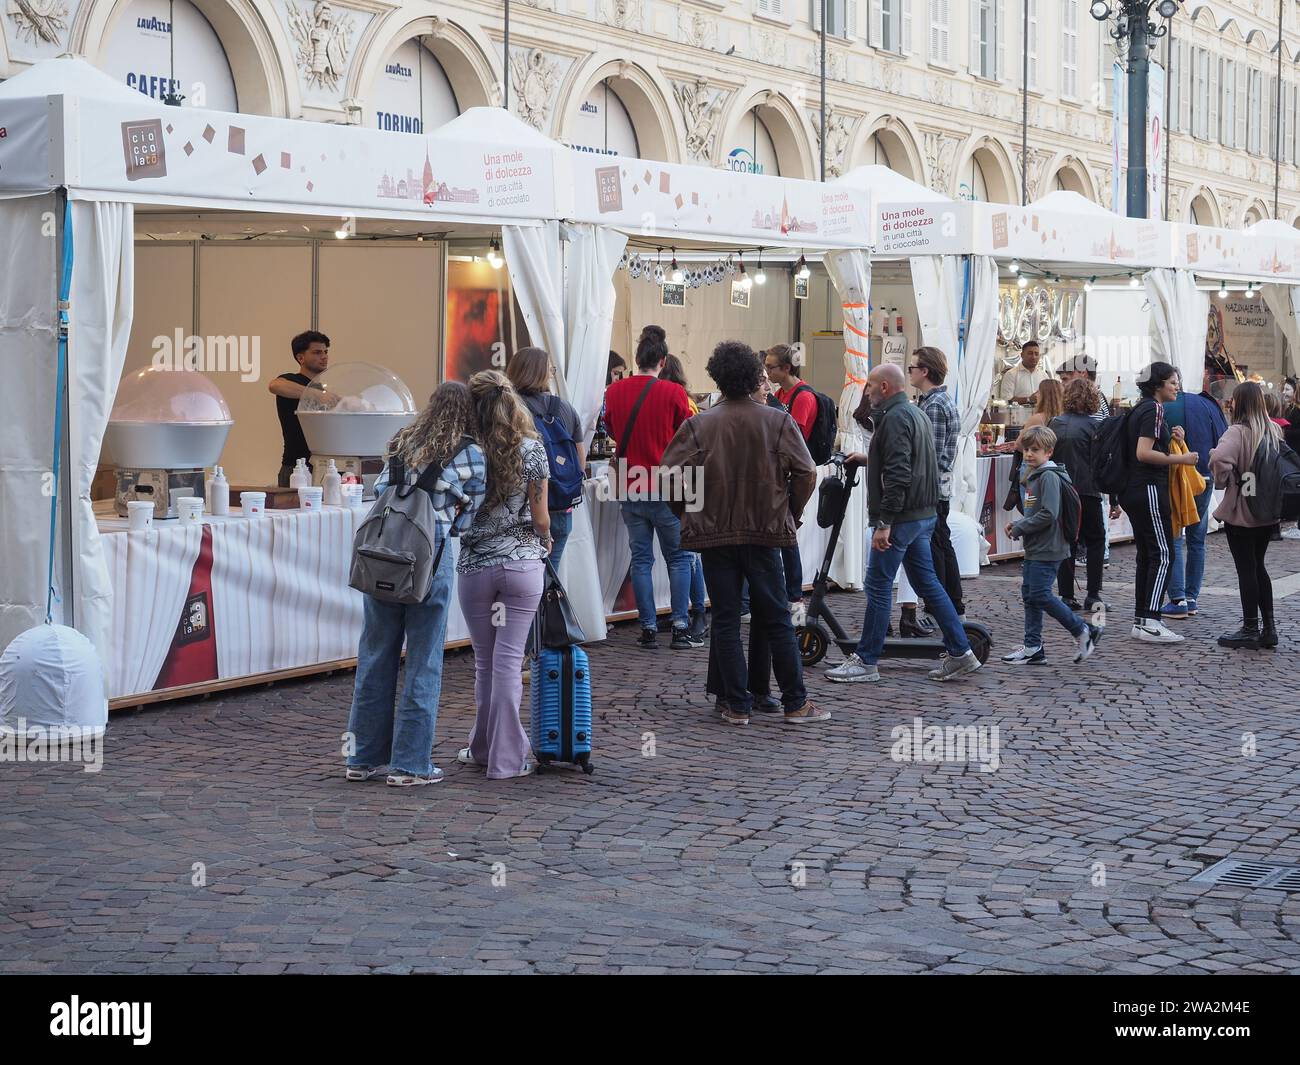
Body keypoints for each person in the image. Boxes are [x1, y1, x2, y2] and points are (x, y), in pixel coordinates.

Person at [660, 341, 825, 725]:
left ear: (718, 377)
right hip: (764, 531)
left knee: (728, 619)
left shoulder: (700, 423)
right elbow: (807, 473)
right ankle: (795, 702)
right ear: (754, 378)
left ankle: (737, 704)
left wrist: (688, 510)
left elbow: (667, 476)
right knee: (776, 618)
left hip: (717, 533)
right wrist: (789, 513)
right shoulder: (775, 420)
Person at [344, 382, 486, 786]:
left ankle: (361, 759)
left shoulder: (401, 442)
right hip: (430, 559)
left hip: (383, 557)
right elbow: (469, 516)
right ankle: (410, 765)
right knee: (423, 660)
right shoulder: (471, 453)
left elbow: (379, 490)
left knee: (374, 655)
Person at [827, 363, 982, 683]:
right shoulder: (914, 413)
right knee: (928, 584)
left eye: (870, 386)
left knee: (879, 584)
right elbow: (908, 461)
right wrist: (870, 459)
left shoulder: (897, 418)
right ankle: (961, 652)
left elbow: (899, 474)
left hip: (902, 518)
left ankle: (866, 660)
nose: (866, 392)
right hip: (922, 514)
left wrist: (884, 522)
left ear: (884, 387)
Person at [455, 370, 551, 780]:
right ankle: (506, 759)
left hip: (476, 565)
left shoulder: (465, 451)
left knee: (484, 663)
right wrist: (545, 541)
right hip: (522, 564)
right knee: (510, 662)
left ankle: (483, 747)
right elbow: (541, 516)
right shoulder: (531, 449)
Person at [602, 325, 697, 650]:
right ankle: (681, 624)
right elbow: (685, 436)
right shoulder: (674, 393)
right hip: (667, 485)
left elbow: (612, 429)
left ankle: (648, 626)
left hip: (630, 484)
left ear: (637, 359)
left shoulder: (613, 392)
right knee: (678, 557)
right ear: (664, 359)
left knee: (641, 559)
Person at [1001, 425, 1102, 666]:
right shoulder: (1036, 475)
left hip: (1049, 546)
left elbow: (1049, 513)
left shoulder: (1047, 476)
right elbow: (1039, 511)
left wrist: (1020, 527)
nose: (1028, 454)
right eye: (1026, 449)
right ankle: (1033, 647)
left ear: (1049, 452)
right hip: (1040, 545)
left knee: (1039, 594)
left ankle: (1083, 630)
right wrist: (1021, 523)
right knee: (1031, 595)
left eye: (1035, 450)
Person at [1118, 361, 1199, 643]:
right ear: (1158, 384)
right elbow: (1143, 452)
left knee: (1149, 555)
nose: (1177, 386)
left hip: (1137, 489)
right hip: (1149, 487)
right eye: (1173, 382)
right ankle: (1151, 620)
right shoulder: (1153, 408)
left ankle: (1143, 619)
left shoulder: (1142, 408)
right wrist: (1182, 458)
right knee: (1164, 554)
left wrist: (1174, 440)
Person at [1210, 382, 1282, 649]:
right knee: (1258, 565)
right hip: (1266, 509)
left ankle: (1250, 626)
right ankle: (1269, 628)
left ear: (1239, 403)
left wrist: (1223, 478)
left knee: (1246, 568)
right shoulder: (1273, 430)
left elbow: (1219, 459)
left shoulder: (1237, 432)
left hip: (1241, 509)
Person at [506, 346, 586, 569]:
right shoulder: (566, 409)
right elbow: (580, 464)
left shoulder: (509, 409)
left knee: (521, 577)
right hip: (559, 506)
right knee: (550, 575)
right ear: (543, 373)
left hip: (517, 509)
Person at [1160, 365, 1229, 620]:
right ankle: (1191, 598)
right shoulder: (1208, 404)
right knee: (1197, 539)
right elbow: (1222, 438)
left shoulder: (1163, 406)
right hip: (1204, 476)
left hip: (1177, 476)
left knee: (1176, 536)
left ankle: (1177, 599)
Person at [909, 345, 966, 626]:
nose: (909, 372)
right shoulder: (937, 402)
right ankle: (951, 603)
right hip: (938, 487)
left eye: (912, 367)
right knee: (942, 543)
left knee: (937, 546)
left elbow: (929, 455)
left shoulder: (933, 405)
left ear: (925, 371)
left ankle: (941, 606)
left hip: (932, 488)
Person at [659, 355, 709, 639]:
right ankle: (690, 612)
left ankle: (698, 611)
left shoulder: (684, 403)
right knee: (683, 554)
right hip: (679, 480)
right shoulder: (678, 399)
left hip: (686, 479)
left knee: (689, 553)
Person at [763, 343, 815, 608]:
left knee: (788, 537)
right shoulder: (782, 394)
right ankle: (785, 594)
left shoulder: (802, 397)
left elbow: (796, 440)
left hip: (791, 478)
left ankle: (794, 597)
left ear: (786, 368)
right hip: (779, 476)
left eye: (771, 367)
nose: (767, 372)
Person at [1049, 378, 1107, 613]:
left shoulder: (1055, 422)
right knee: (1095, 541)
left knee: (1066, 542)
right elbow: (1103, 462)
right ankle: (1092, 594)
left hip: (1062, 489)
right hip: (1088, 490)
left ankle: (1066, 595)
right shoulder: (1096, 425)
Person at [268, 330, 330, 487]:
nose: (323, 356)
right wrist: (314, 394)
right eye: (317, 352)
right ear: (300, 358)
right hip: (295, 467)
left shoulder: (322, 389)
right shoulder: (292, 380)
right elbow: (275, 385)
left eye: (325, 352)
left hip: (320, 465)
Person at [1057, 352, 1111, 418]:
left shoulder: (1086, 400)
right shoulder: (1096, 398)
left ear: (1083, 372)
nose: (1062, 384)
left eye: (1065, 379)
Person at [998, 340, 1051, 404]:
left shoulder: (1044, 375)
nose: (1033, 357)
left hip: (1041, 413)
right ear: (1022, 355)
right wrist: (1028, 399)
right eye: (1030, 353)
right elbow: (1006, 400)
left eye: (1036, 354)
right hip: (1018, 414)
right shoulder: (1011, 374)